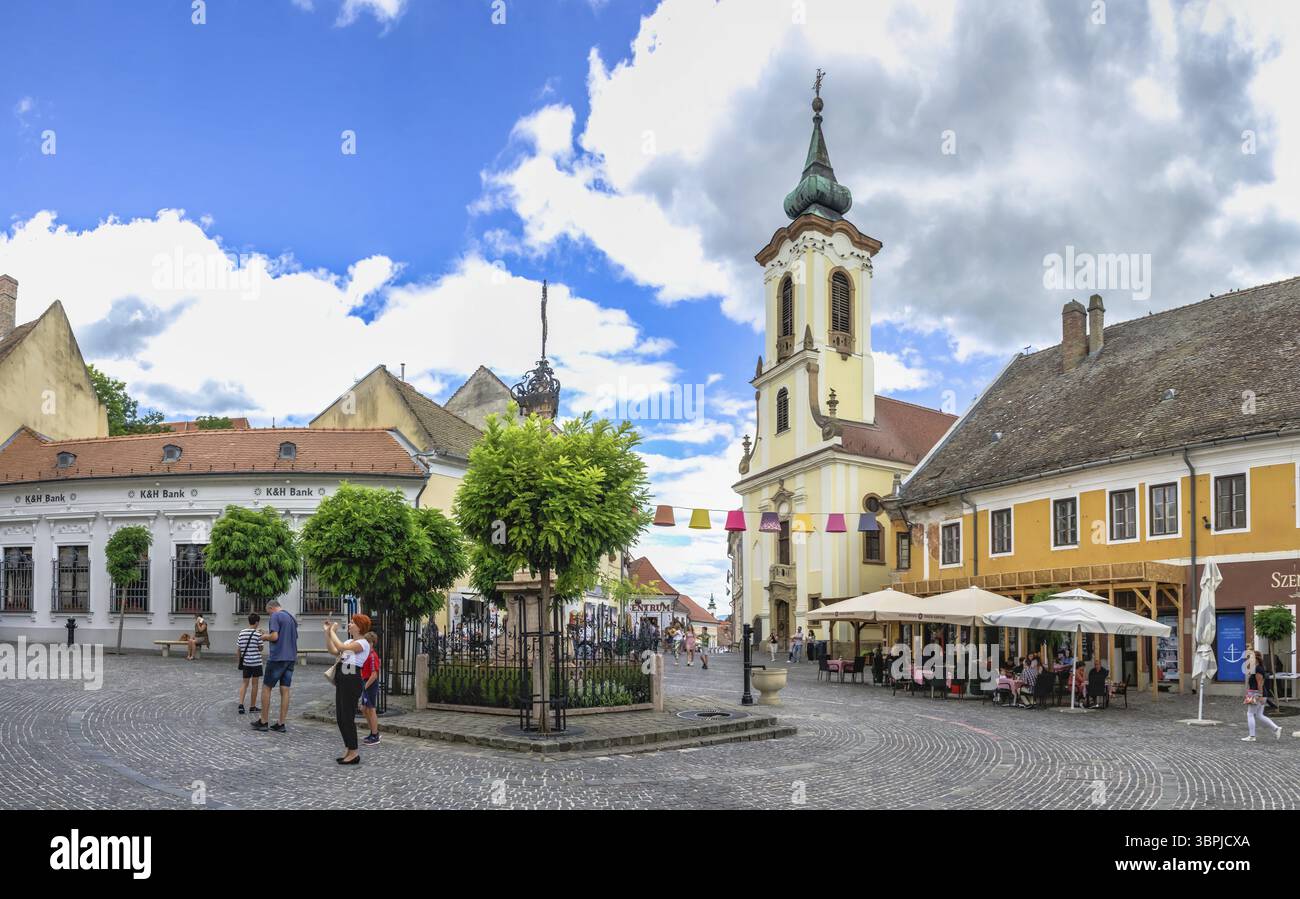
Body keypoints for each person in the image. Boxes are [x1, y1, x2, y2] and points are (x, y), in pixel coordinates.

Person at [324, 614, 371, 764]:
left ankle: (354, 752)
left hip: (352, 680)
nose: (349, 624)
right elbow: (333, 650)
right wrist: (328, 632)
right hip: (343, 678)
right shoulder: (350, 640)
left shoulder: (363, 643)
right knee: (341, 717)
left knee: (347, 717)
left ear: (360, 626)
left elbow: (342, 648)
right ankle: (349, 749)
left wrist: (333, 631)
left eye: (352, 622)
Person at [252, 598, 298, 733]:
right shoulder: (291, 617)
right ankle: (281, 723)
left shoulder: (275, 616)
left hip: (278, 658)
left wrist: (263, 637)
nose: (269, 615)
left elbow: (274, 637)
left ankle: (264, 721)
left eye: (268, 612)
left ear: (271, 608)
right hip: (291, 658)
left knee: (267, 688)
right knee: (285, 690)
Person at [1242, 649, 1282, 742]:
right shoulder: (1255, 668)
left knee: (1250, 714)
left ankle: (1252, 736)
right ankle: (1276, 728)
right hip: (1256, 693)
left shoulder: (1258, 669)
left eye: (1251, 657)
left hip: (1256, 693)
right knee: (1259, 715)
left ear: (1256, 658)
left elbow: (1260, 683)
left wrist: (1259, 696)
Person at [236, 613, 264, 715]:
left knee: (244, 683)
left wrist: (240, 661)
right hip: (256, 662)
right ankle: (252, 706)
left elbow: (238, 649)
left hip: (246, 663)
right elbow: (260, 648)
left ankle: (241, 705)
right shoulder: (257, 634)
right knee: (255, 684)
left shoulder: (242, 633)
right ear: (256, 622)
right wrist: (261, 635)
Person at [360, 630, 381, 745]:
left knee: (371, 709)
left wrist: (365, 687)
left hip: (370, 684)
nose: (366, 644)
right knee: (364, 709)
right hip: (366, 683)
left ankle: (375, 734)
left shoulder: (372, 656)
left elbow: (374, 675)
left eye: (368, 642)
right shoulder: (366, 655)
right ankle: (372, 731)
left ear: (372, 643)